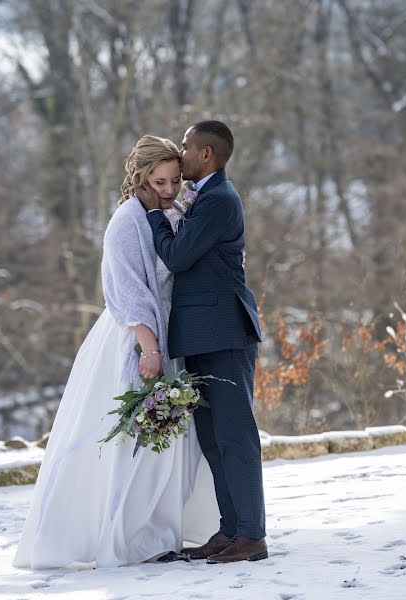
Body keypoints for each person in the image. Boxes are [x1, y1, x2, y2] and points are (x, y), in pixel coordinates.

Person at [13, 135, 218, 569]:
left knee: (169, 439)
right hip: (137, 337)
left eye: (175, 181)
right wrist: (149, 349)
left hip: (169, 337)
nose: (168, 190)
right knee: (133, 436)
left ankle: (162, 531)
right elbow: (127, 291)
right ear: (140, 178)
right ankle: (129, 535)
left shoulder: (174, 213)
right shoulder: (127, 222)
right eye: (159, 182)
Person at [135, 121, 267, 564]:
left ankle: (252, 535)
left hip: (226, 334)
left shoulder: (219, 201)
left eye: (187, 147)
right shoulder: (205, 197)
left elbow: (177, 255)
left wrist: (153, 211)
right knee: (212, 438)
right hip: (204, 334)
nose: (182, 151)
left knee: (236, 437)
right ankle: (230, 531)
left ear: (206, 154)